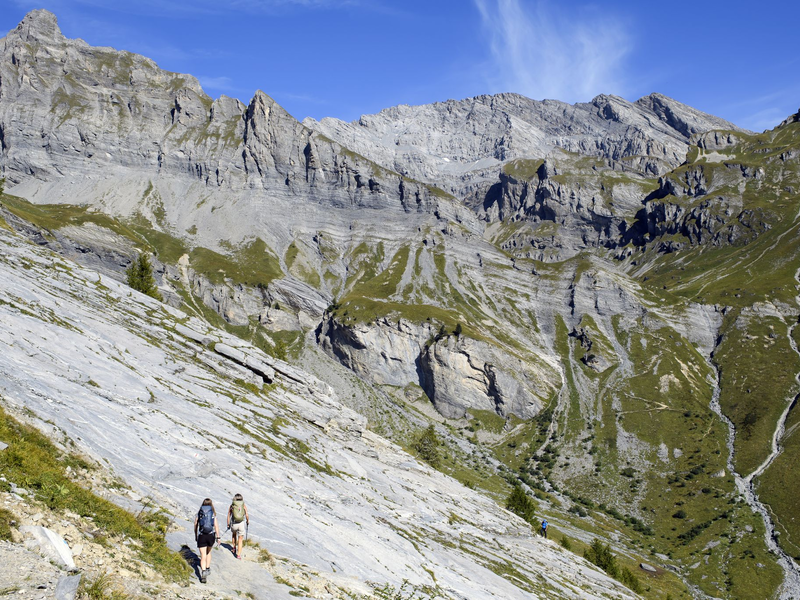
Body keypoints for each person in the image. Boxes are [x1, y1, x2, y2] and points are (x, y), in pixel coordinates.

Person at [194, 498, 220, 583]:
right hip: (210, 535)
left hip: (202, 535)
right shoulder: (212, 513)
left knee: (203, 555)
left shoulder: (199, 513)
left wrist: (196, 534)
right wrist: (218, 537)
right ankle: (208, 568)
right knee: (208, 552)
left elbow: (195, 524)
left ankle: (203, 572)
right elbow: (216, 526)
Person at [227, 493, 250, 559]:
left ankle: (234, 548)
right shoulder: (243, 505)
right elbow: (247, 515)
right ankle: (238, 555)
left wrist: (228, 524)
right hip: (241, 524)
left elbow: (229, 515)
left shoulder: (232, 505)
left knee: (234, 534)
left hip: (234, 523)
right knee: (240, 539)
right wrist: (248, 521)